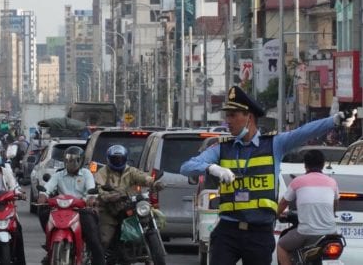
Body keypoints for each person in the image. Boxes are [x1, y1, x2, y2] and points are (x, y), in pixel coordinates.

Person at [180, 86, 356, 265]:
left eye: (233, 115)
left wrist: (334, 120)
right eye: (227, 116)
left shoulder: (274, 144)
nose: (228, 121)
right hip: (228, 230)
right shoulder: (222, 148)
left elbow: (305, 131)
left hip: (259, 232)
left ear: (249, 117)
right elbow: (187, 167)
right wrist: (213, 168)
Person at [37, 146, 105, 265]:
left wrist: (91, 198)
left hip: (81, 210)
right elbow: (47, 187)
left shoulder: (86, 174)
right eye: (68, 159)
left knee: (94, 240)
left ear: (81, 161)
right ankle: (50, 248)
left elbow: (90, 189)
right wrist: (43, 195)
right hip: (60, 209)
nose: (71, 163)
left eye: (75, 160)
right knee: (42, 213)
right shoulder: (58, 174)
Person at [94, 144, 164, 252]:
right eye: (115, 159)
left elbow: (142, 177)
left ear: (125, 159)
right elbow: (100, 188)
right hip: (109, 209)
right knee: (104, 240)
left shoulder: (130, 171)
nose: (118, 161)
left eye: (120, 159)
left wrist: (154, 183)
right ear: (109, 159)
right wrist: (109, 196)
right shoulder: (102, 172)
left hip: (129, 204)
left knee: (147, 217)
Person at [276, 150, 339, 265]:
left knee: (281, 246)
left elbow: (283, 203)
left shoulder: (298, 181)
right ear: (323, 164)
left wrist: (275, 215)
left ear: (305, 165)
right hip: (330, 233)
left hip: (306, 232)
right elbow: (335, 204)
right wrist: (333, 214)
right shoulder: (332, 182)